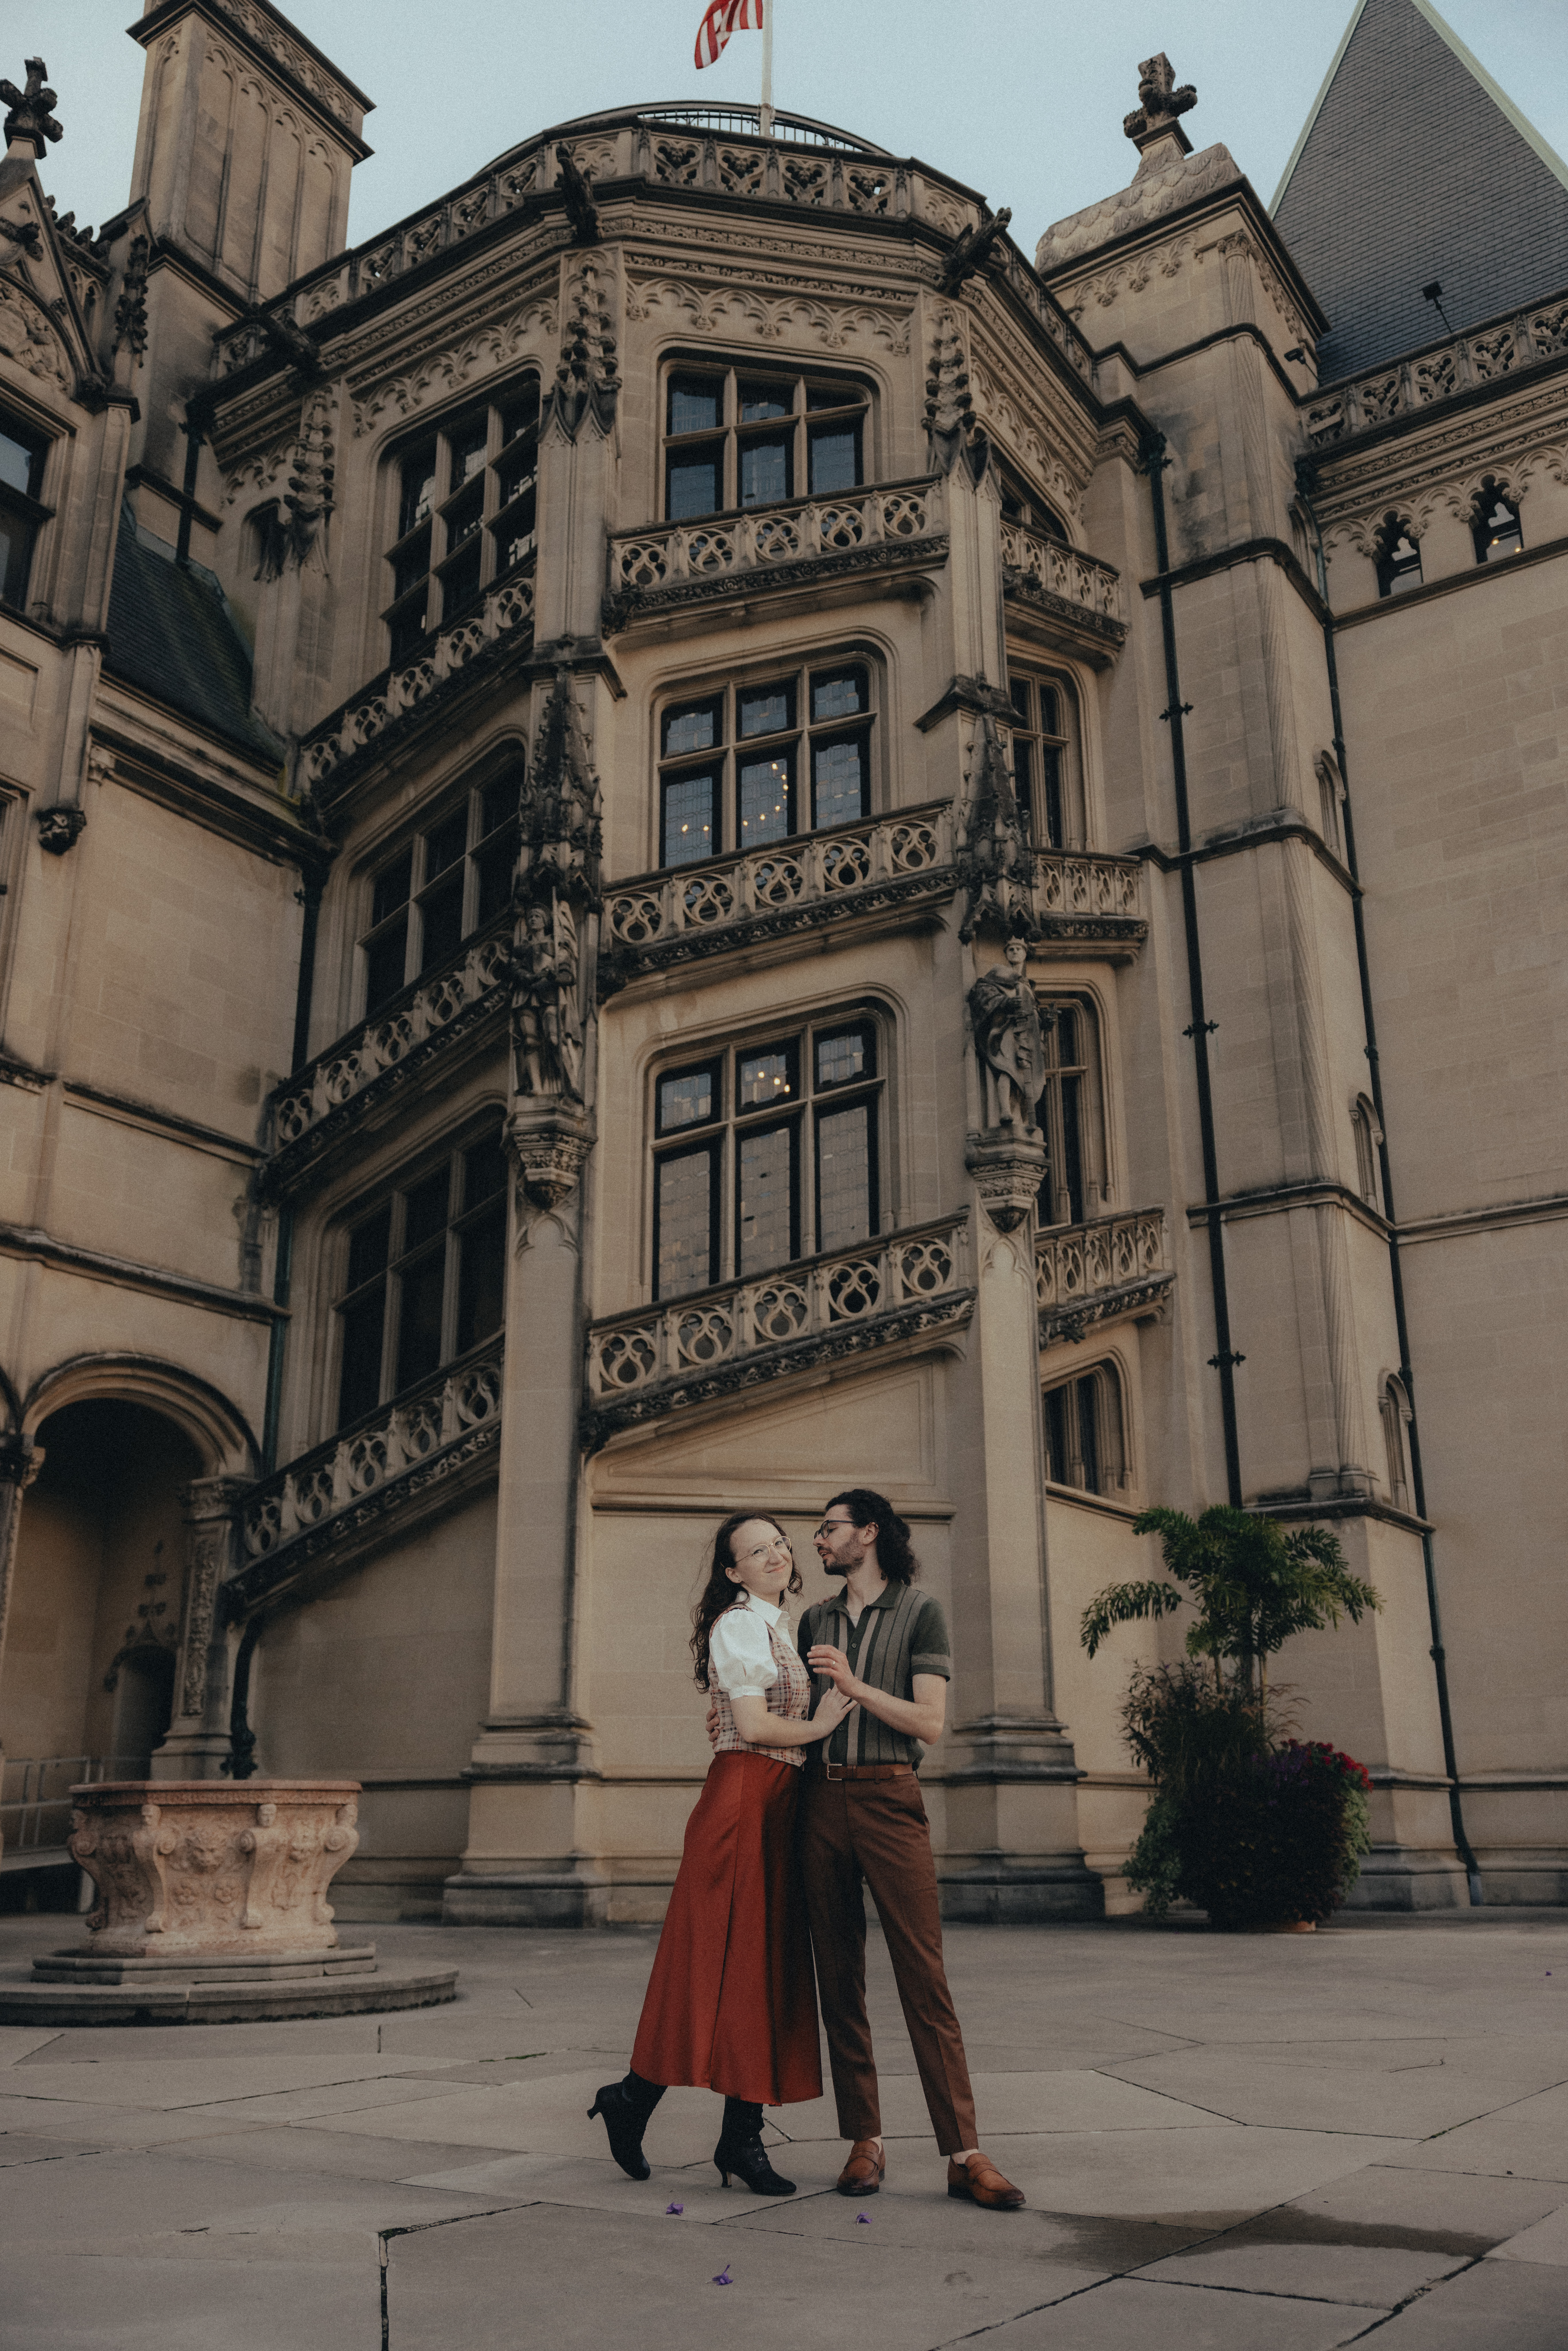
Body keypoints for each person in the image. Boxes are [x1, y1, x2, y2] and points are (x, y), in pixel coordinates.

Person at [588, 1511, 856, 2195]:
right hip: (742, 1802)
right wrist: (821, 1723)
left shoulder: (781, 1624)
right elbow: (753, 1724)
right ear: (731, 1570)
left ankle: (717, 2129)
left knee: (760, 1967)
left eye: (777, 1544)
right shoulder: (740, 1624)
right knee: (719, 1964)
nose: (772, 1554)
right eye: (754, 1549)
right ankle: (663, 2111)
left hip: (775, 1802)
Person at [798, 1488, 1026, 2212]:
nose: (818, 1540)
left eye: (829, 1528)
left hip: (890, 1799)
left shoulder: (919, 1609)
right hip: (819, 1798)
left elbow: (928, 1723)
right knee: (838, 1976)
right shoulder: (815, 1618)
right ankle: (863, 2140)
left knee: (922, 1977)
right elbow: (804, 1718)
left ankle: (964, 2153)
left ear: (867, 1533)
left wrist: (856, 1685)